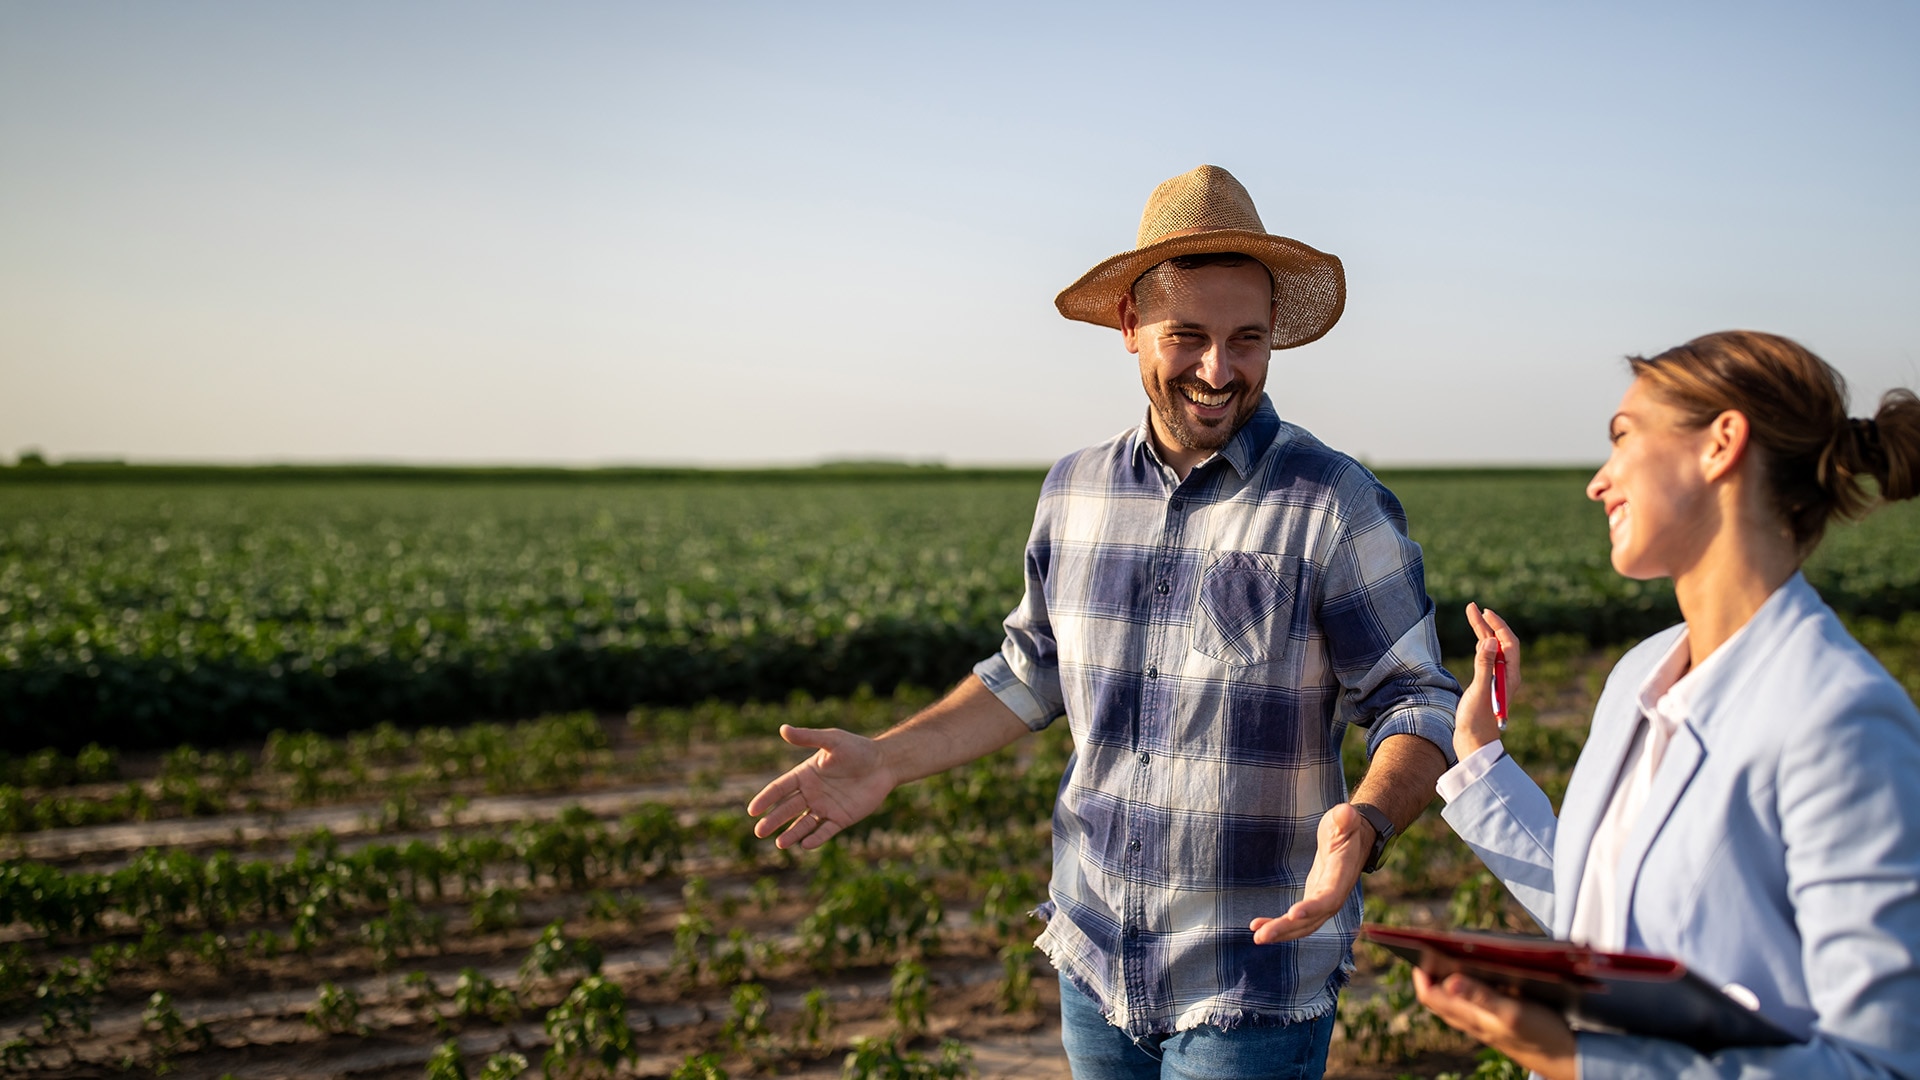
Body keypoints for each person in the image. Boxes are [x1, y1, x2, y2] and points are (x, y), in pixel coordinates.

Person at [747, 164, 1461, 1079]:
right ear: (1130, 326)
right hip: (1091, 956)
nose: (1219, 369)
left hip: (1252, 973)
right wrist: (888, 758)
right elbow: (1031, 670)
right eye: (1188, 336)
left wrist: (1365, 821)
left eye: (1246, 339)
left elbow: (1419, 702)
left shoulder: (1332, 504)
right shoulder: (1074, 491)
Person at [1416, 330, 1920, 1078]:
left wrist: (1588, 1062)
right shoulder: (1638, 673)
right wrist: (1480, 759)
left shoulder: (1842, 720)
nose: (1600, 480)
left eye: (1623, 437)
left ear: (1721, 444)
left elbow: (1880, 1065)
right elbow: (1616, 927)